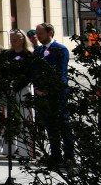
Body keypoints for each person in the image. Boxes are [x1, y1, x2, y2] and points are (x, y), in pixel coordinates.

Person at [34, 22, 74, 164]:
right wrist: (37, 88)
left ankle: (69, 155)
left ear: (50, 33)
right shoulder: (38, 51)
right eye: (37, 34)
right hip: (42, 94)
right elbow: (35, 72)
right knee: (49, 124)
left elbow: (60, 71)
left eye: (41, 34)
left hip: (57, 93)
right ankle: (55, 154)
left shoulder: (60, 49)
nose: (38, 36)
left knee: (62, 123)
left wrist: (49, 89)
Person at [5, 29, 35, 157]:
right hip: (9, 89)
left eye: (15, 40)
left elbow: (29, 74)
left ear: (22, 40)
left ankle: (25, 151)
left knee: (25, 120)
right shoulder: (8, 55)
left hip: (23, 89)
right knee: (9, 119)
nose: (13, 42)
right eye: (11, 40)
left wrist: (16, 86)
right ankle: (9, 149)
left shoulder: (28, 55)